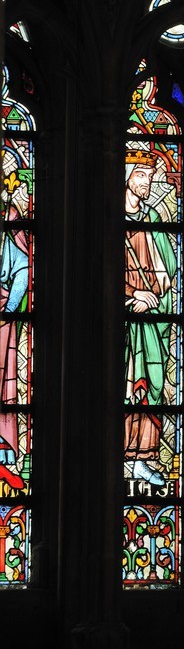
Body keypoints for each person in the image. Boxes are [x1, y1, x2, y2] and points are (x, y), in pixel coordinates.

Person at [124, 147, 178, 489]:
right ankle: (122, 457)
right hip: (123, 320)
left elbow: (166, 269)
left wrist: (155, 294)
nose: (148, 180)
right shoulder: (107, 217)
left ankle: (144, 458)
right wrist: (130, 298)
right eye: (141, 174)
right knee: (125, 388)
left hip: (150, 321)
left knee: (150, 390)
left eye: (150, 174)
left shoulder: (153, 219)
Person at [0, 150, 31, 493]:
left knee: (5, 379)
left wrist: (10, 306)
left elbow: (22, 265)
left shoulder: (10, 217)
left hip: (4, 316)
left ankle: (4, 446)